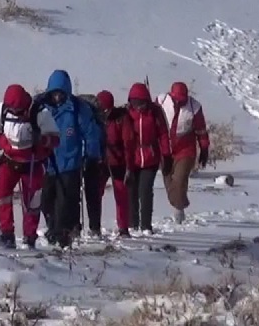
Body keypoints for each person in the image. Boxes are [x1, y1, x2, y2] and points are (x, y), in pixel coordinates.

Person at [34, 70, 105, 247]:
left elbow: (90, 133)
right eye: (54, 93)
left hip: (70, 163)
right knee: (46, 201)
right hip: (48, 163)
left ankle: (60, 234)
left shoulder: (77, 109)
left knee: (64, 202)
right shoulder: (41, 109)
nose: (57, 97)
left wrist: (91, 155)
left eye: (61, 93)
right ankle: (56, 227)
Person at [0, 84, 60, 249]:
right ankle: (7, 234)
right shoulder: (2, 111)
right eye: (13, 110)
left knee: (32, 202)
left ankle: (30, 237)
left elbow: (56, 139)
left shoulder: (40, 113)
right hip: (9, 161)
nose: (16, 113)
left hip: (32, 163)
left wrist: (42, 140)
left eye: (19, 110)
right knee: (1, 195)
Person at [158, 81, 211, 225]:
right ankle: (176, 201)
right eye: (176, 99)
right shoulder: (161, 101)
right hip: (165, 146)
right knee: (168, 178)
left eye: (182, 100)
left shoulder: (194, 107)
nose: (179, 102)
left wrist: (204, 149)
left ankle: (179, 207)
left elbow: (201, 130)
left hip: (186, 148)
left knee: (180, 179)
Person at [124, 82, 170, 235]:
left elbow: (163, 134)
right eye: (136, 103)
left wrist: (166, 155)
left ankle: (146, 225)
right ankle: (132, 223)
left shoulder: (155, 112)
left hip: (150, 156)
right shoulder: (126, 113)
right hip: (132, 157)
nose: (139, 107)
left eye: (142, 103)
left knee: (145, 190)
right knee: (131, 190)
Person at [94, 90, 136, 238]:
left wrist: (129, 167)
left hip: (119, 161)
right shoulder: (95, 118)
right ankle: (95, 227)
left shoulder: (121, 118)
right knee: (95, 193)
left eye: (106, 109)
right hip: (101, 160)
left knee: (121, 194)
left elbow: (129, 143)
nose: (104, 112)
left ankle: (123, 227)